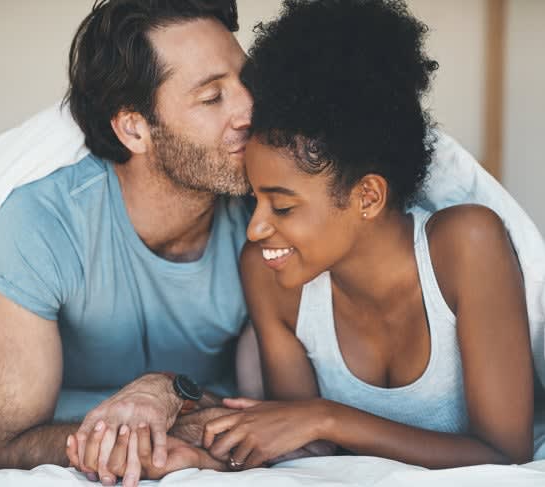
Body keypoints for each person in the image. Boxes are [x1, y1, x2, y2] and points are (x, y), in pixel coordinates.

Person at [200, 0, 538, 470]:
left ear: (368, 197)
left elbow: (505, 452)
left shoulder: (465, 246)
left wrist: (327, 417)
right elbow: (305, 454)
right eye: (253, 200)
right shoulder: (267, 274)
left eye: (282, 205)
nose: (256, 227)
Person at [0, 1, 254, 485]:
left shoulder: (267, 220)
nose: (249, 110)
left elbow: (287, 412)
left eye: (247, 82)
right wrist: (136, 432)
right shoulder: (44, 223)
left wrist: (167, 391)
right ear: (134, 128)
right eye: (211, 97)